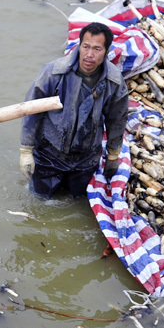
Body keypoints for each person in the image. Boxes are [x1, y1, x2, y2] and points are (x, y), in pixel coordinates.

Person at [19, 22, 129, 198]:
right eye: (85, 47)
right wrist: (26, 150)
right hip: (50, 151)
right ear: (79, 46)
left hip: (86, 156)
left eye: (97, 49)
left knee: (76, 200)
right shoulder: (53, 73)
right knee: (39, 199)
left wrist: (113, 155)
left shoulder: (114, 82)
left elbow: (117, 119)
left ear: (106, 51)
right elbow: (31, 110)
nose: (89, 55)